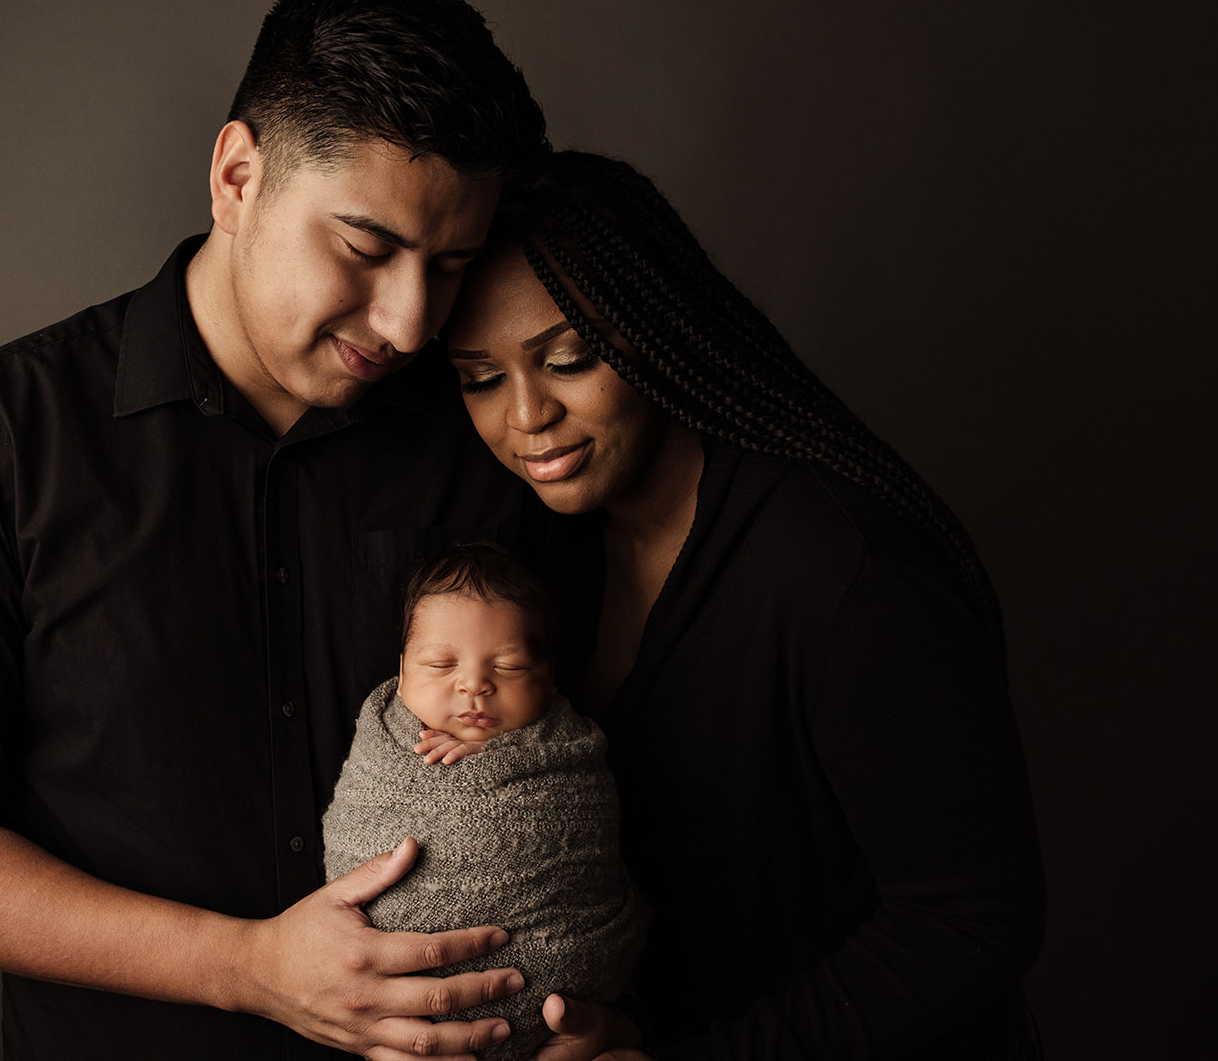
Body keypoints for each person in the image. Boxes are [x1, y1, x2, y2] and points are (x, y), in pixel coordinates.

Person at [0, 0, 555, 1060]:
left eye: (448, 265)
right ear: (235, 175)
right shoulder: (2, 432)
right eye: (366, 248)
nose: (410, 321)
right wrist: (243, 969)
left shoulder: (483, 433)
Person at [442, 151, 1047, 1060]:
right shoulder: (547, 556)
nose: (526, 414)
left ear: (657, 325)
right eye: (480, 377)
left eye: (567, 358)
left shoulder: (839, 568)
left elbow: (973, 922)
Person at [322, 543, 648, 1061]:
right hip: (397, 1020)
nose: (474, 684)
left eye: (511, 667)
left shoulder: (569, 756)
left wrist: (503, 756)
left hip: (562, 1018)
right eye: (441, 663)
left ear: (550, 681)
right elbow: (354, 834)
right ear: (402, 673)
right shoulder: (382, 746)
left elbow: (588, 861)